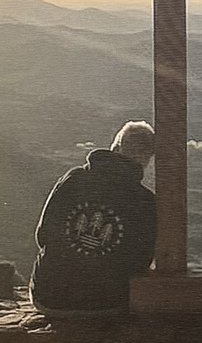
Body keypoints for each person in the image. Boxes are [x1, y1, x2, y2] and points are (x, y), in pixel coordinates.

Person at [29, 120, 156, 314]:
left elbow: (43, 235)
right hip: (107, 302)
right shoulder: (146, 202)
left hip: (49, 296)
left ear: (115, 147)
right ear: (147, 159)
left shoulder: (74, 179)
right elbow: (142, 261)